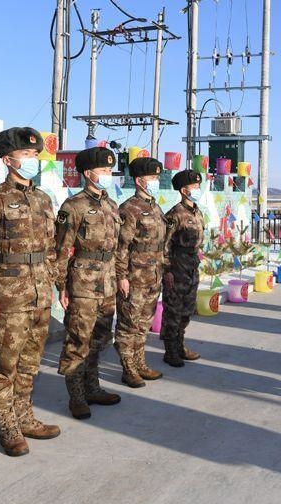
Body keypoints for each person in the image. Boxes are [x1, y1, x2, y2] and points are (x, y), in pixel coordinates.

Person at [0, 127, 60, 457]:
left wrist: (54, 282)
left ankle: (24, 416)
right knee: (3, 362)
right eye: (25, 154)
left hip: (40, 293)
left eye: (35, 154)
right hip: (9, 295)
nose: (32, 159)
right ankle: (7, 425)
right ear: (8, 160)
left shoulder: (42, 199)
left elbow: (51, 248)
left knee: (30, 361)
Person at [53, 147, 122, 419]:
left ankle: (92, 387)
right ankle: (77, 396)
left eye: (109, 170)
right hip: (83, 283)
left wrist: (120, 277)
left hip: (107, 282)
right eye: (102, 170)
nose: (107, 174)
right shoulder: (73, 206)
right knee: (78, 339)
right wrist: (62, 286)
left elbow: (116, 248)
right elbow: (61, 249)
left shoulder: (111, 205)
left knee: (100, 338)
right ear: (87, 173)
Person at [114, 157, 168, 387]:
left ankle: (139, 363)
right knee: (129, 324)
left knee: (144, 323)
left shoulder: (155, 207)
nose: (156, 181)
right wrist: (121, 277)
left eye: (157, 177)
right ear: (138, 181)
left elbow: (161, 243)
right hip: (134, 276)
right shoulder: (129, 209)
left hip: (153, 275)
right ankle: (128, 368)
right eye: (152, 177)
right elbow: (121, 246)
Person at [161, 169, 205, 367]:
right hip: (177, 268)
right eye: (194, 186)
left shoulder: (197, 212)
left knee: (187, 310)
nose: (197, 189)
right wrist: (167, 270)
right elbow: (165, 245)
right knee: (173, 311)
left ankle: (180, 345)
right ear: (184, 190)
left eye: (198, 185)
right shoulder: (174, 215)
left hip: (191, 267)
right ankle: (170, 350)